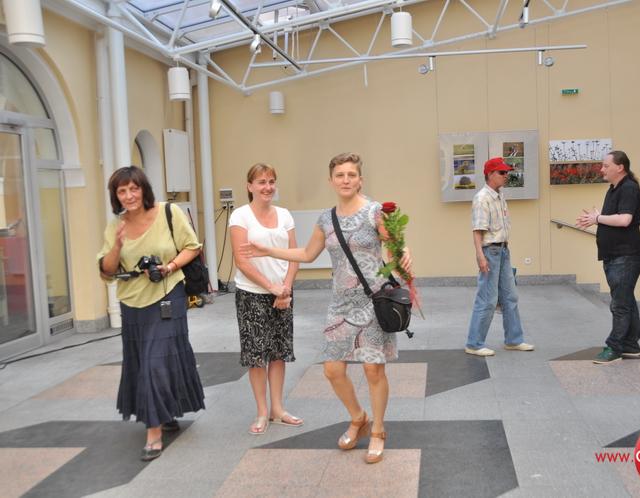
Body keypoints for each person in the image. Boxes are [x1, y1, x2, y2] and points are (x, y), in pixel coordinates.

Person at [239, 152, 412, 464]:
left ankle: (378, 430)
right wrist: (268, 249)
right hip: (341, 304)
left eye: (351, 175)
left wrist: (403, 253)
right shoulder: (326, 219)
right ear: (331, 181)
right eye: (340, 175)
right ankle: (358, 418)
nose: (346, 180)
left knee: (373, 369)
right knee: (333, 370)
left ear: (360, 180)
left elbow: (395, 246)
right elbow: (307, 254)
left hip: (373, 300)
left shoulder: (375, 212)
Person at [98, 166, 205, 461]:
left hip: (167, 296)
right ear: (115, 196)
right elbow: (107, 270)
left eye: (134, 188)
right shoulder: (116, 226)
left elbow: (192, 247)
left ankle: (153, 433)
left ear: (143, 189)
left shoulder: (169, 212)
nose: (129, 195)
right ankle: (165, 412)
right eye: (122, 191)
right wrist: (117, 246)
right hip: (132, 303)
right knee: (144, 362)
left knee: (154, 362)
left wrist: (169, 267)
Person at [229, 163, 303, 435]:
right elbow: (242, 260)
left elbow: (294, 255)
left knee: (279, 353)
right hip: (252, 294)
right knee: (257, 355)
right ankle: (262, 411)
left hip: (283, 294)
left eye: (271, 181)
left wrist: (286, 289)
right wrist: (272, 287)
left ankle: (278, 409)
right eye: (261, 182)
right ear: (249, 186)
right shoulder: (240, 216)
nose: (267, 187)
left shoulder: (285, 215)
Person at [575, 150, 640, 364]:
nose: (601, 169)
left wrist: (598, 218)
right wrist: (597, 218)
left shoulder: (629, 188)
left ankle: (614, 347)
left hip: (626, 256)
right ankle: (630, 345)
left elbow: (624, 220)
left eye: (606, 166)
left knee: (620, 304)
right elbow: (610, 219)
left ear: (620, 167)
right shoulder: (613, 189)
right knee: (626, 300)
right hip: (614, 255)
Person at [465, 157, 535, 356]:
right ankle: (474, 344)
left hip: (503, 250)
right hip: (490, 252)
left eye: (507, 172)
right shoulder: (482, 198)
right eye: (502, 172)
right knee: (487, 299)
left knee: (510, 296)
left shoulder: (499, 195)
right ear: (490, 174)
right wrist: (480, 256)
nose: (506, 176)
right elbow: (477, 230)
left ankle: (514, 340)